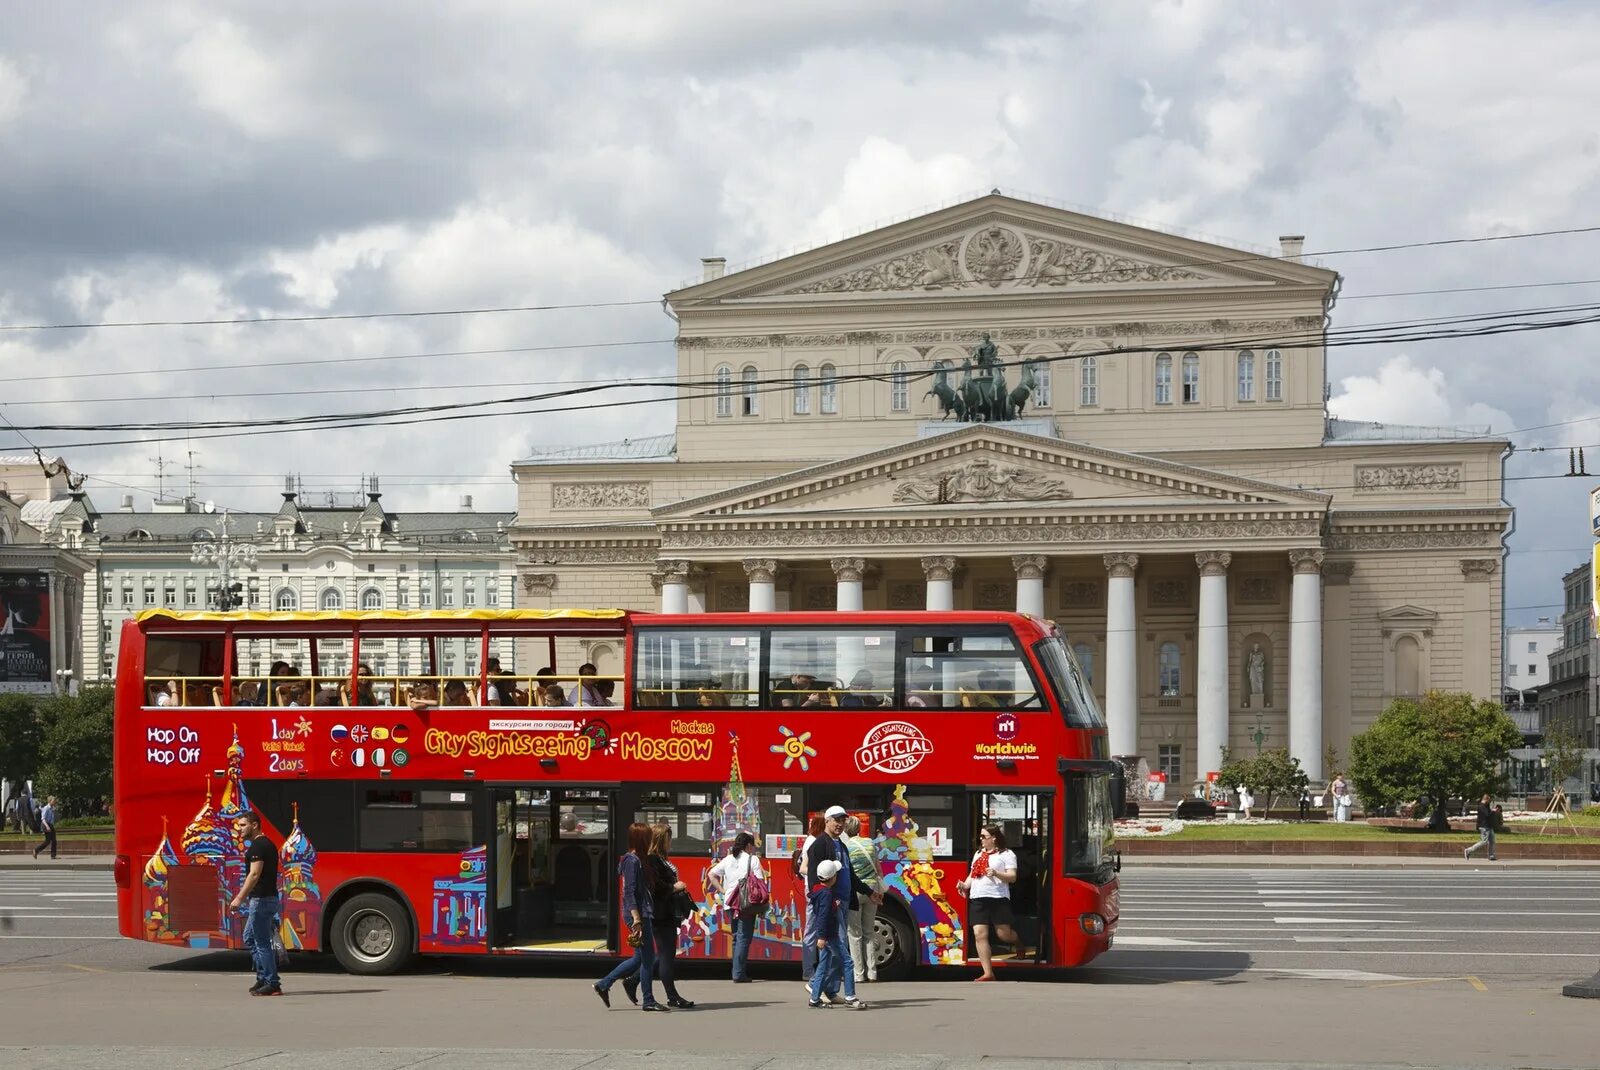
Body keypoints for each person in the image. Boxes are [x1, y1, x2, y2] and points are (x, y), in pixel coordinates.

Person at [593, 823, 665, 1011]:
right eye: (648, 837)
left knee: (638, 959)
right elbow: (629, 892)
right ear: (642, 839)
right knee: (649, 958)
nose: (650, 841)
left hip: (641, 912)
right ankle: (648, 1000)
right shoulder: (631, 861)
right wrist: (637, 920)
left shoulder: (638, 859)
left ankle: (603, 985)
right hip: (638, 914)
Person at [805, 805, 866, 1008]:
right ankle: (818, 986)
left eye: (843, 821)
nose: (840, 824)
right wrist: (824, 899)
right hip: (832, 903)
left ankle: (829, 990)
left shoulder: (841, 844)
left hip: (842, 901)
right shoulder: (820, 844)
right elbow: (815, 877)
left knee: (838, 950)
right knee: (837, 949)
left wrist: (869, 891)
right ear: (827, 821)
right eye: (836, 820)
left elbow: (850, 874)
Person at [228, 810, 282, 996]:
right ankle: (263, 977)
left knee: (261, 942)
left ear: (254, 825)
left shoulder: (258, 847)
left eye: (243, 825)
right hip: (267, 899)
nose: (239, 829)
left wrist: (239, 898)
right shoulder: (266, 844)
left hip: (261, 900)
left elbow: (254, 875)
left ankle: (272, 983)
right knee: (250, 938)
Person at [957, 824, 1019, 982]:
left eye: (984, 836)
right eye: (980, 836)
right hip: (978, 897)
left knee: (1003, 934)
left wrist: (996, 872)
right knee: (979, 935)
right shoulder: (978, 854)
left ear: (994, 838)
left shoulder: (1006, 854)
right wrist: (964, 885)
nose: (981, 839)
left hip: (998, 898)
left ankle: (1018, 942)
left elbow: (1012, 877)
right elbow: (973, 874)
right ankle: (988, 973)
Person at [645, 824, 695, 1008]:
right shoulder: (652, 860)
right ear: (661, 840)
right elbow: (656, 888)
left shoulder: (659, 859)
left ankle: (633, 981)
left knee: (664, 954)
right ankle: (672, 996)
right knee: (667, 955)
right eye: (668, 839)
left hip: (666, 912)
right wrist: (675, 887)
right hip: (661, 913)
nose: (671, 842)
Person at [708, 831, 764, 982]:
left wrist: (723, 891)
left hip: (729, 902)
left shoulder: (728, 859)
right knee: (744, 938)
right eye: (752, 845)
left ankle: (736, 971)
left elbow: (711, 874)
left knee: (735, 938)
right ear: (748, 845)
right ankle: (739, 974)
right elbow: (760, 881)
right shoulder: (753, 860)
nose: (753, 848)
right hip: (745, 903)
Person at [843, 815, 885, 983]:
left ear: (846, 830)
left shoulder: (846, 846)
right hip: (872, 889)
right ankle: (872, 972)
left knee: (854, 934)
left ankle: (858, 974)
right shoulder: (870, 843)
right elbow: (878, 869)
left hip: (856, 890)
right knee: (869, 932)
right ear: (860, 828)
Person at [797, 812, 827, 984]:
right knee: (813, 930)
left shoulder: (811, 840)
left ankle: (812, 968)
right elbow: (803, 868)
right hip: (815, 889)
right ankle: (809, 970)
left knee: (814, 929)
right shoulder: (814, 842)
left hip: (813, 889)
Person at [1464, 793, 1500, 861]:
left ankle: (1491, 855)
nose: (1489, 802)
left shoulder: (1485, 806)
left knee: (1492, 841)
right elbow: (1487, 814)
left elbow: (1489, 813)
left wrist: (1493, 811)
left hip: (1489, 826)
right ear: (1486, 799)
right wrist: (1493, 811)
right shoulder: (1481, 806)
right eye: (1488, 801)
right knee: (1484, 841)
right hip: (1484, 826)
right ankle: (1469, 850)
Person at [32, 796, 58, 860]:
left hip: (50, 825)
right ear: (50, 801)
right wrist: (47, 826)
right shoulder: (46, 808)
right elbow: (43, 819)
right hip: (46, 825)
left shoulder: (52, 808)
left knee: (54, 840)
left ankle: (53, 855)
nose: (55, 802)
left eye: (55, 800)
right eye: (53, 800)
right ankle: (36, 850)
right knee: (47, 841)